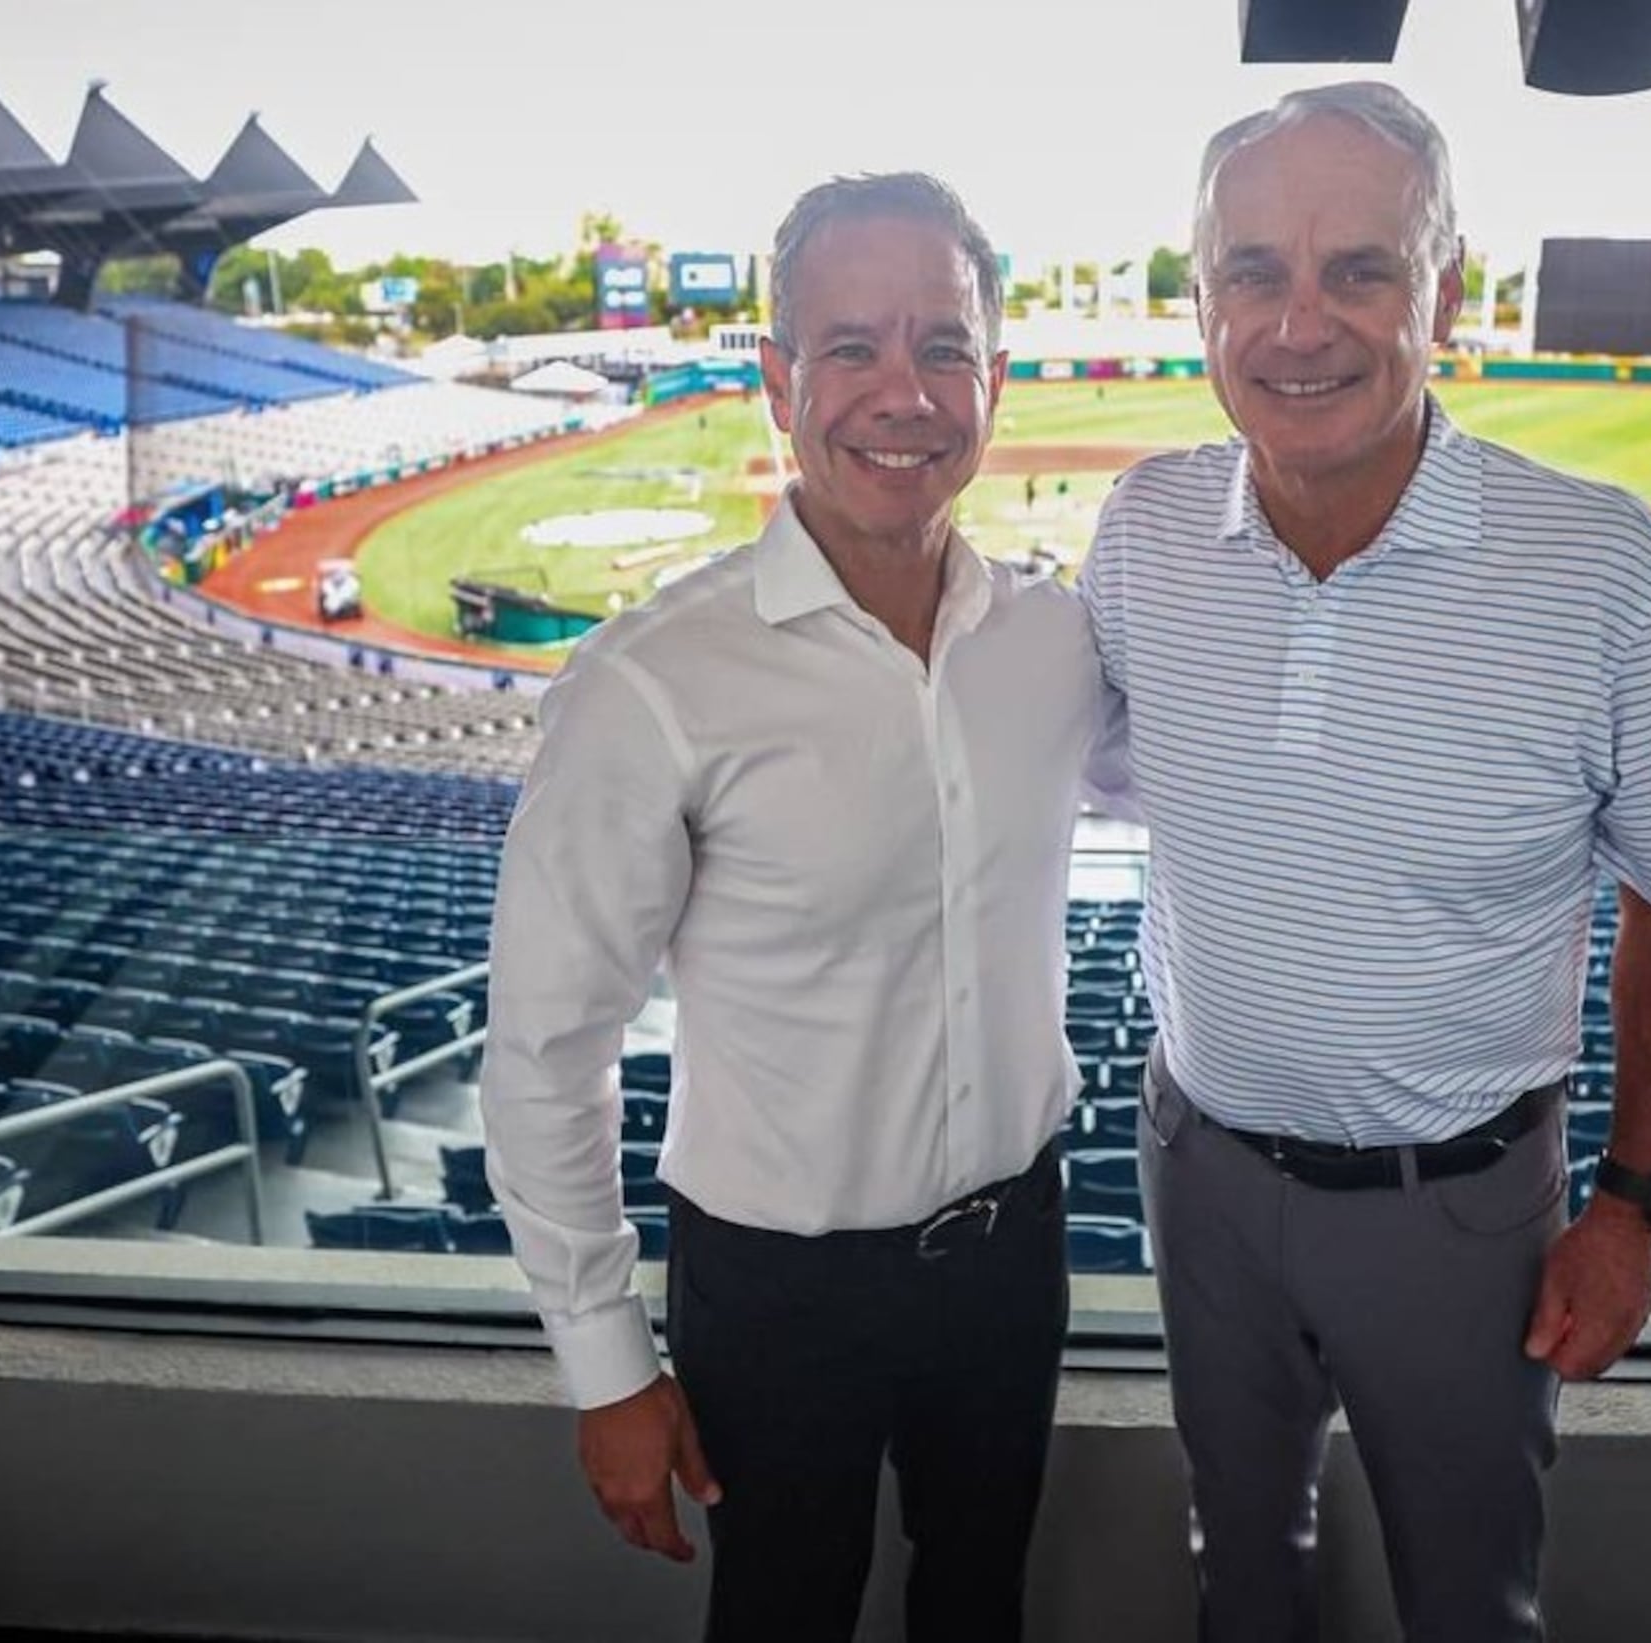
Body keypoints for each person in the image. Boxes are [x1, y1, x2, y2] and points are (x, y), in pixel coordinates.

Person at [1077, 83, 1651, 1642]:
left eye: (1359, 270)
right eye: (1253, 272)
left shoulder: (1611, 571)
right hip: (1199, 1176)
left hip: (1457, 1214)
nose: (1299, 322)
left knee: (1470, 1601)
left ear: (1448, 292)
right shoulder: (1144, 528)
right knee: (1237, 1562)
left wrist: (1631, 1205)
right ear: (1200, 301)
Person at [480, 172, 1106, 1643]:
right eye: (852, 348)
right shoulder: (651, 684)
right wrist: (609, 1367)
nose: (905, 392)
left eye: (943, 346)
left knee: (979, 1607)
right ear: (777, 381)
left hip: (1015, 1252)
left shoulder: (1056, 644)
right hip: (778, 1291)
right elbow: (544, 1049)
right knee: (780, 1621)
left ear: (993, 381)